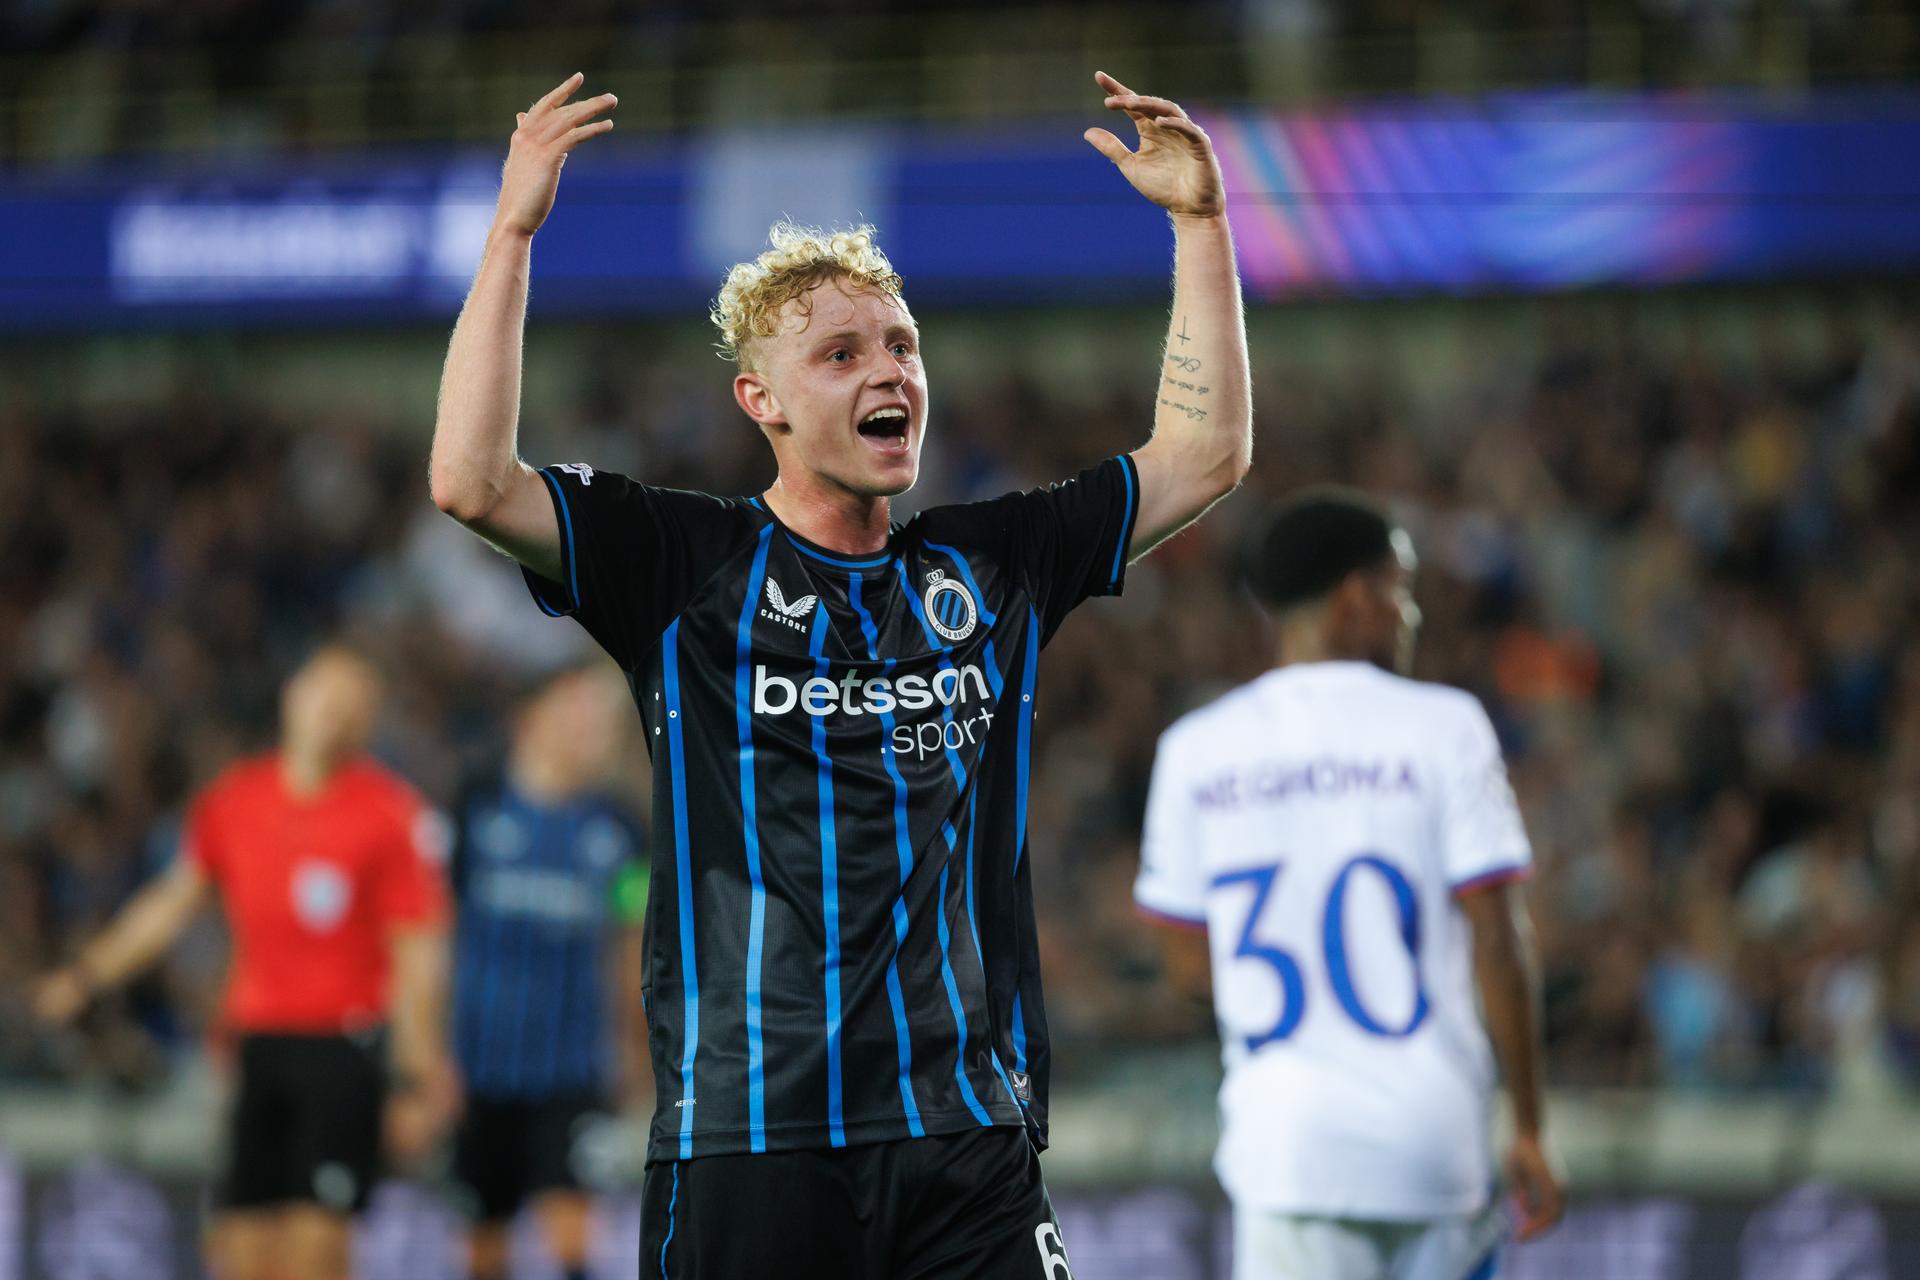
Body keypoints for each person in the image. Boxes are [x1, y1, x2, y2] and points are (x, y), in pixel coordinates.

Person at [428, 68, 1250, 1278]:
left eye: (905, 344)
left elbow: (1204, 453)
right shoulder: (683, 564)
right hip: (752, 1141)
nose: (892, 371)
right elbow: (471, 482)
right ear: (758, 399)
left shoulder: (995, 564)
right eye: (843, 352)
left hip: (967, 1133)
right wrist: (509, 236)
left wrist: (1201, 225)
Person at [1132, 489, 1565, 1280]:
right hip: (1434, 1148)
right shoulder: (1445, 728)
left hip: (1287, 1149)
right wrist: (1530, 1126)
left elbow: (1188, 967)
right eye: (1401, 591)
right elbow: (1499, 943)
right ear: (1355, 597)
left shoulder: (1196, 750)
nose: (1410, 616)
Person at [33, 643, 456, 1280]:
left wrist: (417, 1071)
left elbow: (419, 952)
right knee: (242, 1251)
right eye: (323, 693)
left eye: (351, 703)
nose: (332, 713)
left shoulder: (390, 815)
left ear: (368, 722)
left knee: (315, 1251)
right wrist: (89, 974)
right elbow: (172, 903)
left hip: (343, 1052)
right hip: (257, 1048)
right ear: (292, 696)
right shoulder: (236, 802)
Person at [447, 662, 648, 1280]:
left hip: (572, 1070)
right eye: (581, 711)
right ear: (531, 718)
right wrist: (427, 1055)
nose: (596, 728)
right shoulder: (472, 808)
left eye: (605, 718)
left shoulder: (624, 830)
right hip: (478, 1066)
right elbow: (431, 934)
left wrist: (637, 1060)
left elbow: (630, 945)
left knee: (569, 1244)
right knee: (484, 1245)